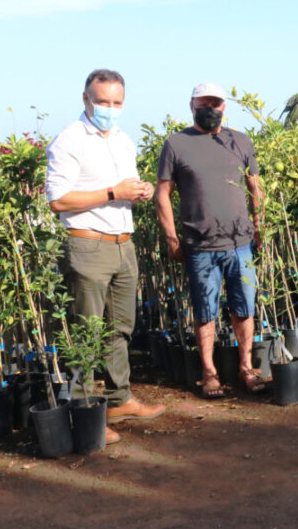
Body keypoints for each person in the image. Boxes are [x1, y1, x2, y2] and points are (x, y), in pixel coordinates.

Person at [45, 69, 165, 445]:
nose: (110, 109)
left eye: (116, 103)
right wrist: (114, 192)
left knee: (121, 328)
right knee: (88, 332)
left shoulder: (123, 141)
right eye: (103, 102)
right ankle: (83, 411)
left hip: (122, 244)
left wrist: (138, 190)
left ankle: (118, 398)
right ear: (86, 99)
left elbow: (122, 190)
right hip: (88, 245)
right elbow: (58, 200)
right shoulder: (69, 141)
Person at [154, 82, 266, 396]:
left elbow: (256, 188)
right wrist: (171, 237)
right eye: (204, 104)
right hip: (200, 246)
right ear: (192, 105)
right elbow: (162, 195)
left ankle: (246, 368)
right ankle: (209, 372)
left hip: (240, 244)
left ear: (223, 108)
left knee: (244, 308)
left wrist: (260, 226)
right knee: (205, 311)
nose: (210, 109)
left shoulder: (240, 141)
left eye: (215, 104)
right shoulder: (176, 144)